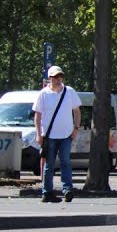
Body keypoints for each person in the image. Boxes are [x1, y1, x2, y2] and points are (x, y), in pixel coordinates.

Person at [32, 65, 82, 203]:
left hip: (66, 134)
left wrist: (76, 128)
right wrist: (38, 134)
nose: (58, 79)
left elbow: (77, 111)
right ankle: (47, 192)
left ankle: (67, 190)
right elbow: (37, 115)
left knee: (66, 162)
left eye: (60, 76)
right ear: (50, 78)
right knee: (49, 164)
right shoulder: (43, 94)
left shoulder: (69, 92)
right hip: (49, 136)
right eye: (55, 77)